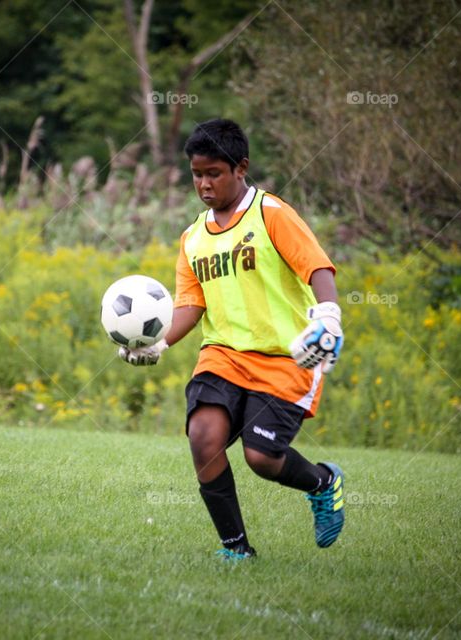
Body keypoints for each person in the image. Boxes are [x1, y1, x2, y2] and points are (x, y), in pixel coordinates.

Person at [118, 118, 346, 560]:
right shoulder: (192, 237)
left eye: (214, 174)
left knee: (261, 458)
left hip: (285, 357)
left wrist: (330, 315)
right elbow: (191, 303)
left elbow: (318, 267)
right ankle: (236, 549)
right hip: (222, 355)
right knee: (203, 438)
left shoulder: (272, 215)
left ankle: (323, 482)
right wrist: (159, 343)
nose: (204, 184)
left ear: (241, 168)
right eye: (197, 174)